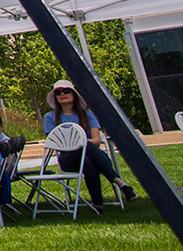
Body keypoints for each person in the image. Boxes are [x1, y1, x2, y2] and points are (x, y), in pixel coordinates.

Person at [42, 79, 137, 209]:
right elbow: (53, 143)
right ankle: (121, 184)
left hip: (90, 155)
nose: (62, 94)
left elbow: (97, 140)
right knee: (85, 146)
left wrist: (81, 144)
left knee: (87, 160)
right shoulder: (50, 117)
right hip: (68, 159)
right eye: (58, 92)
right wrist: (79, 144)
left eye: (66, 91)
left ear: (74, 94)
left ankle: (98, 205)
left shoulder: (88, 115)